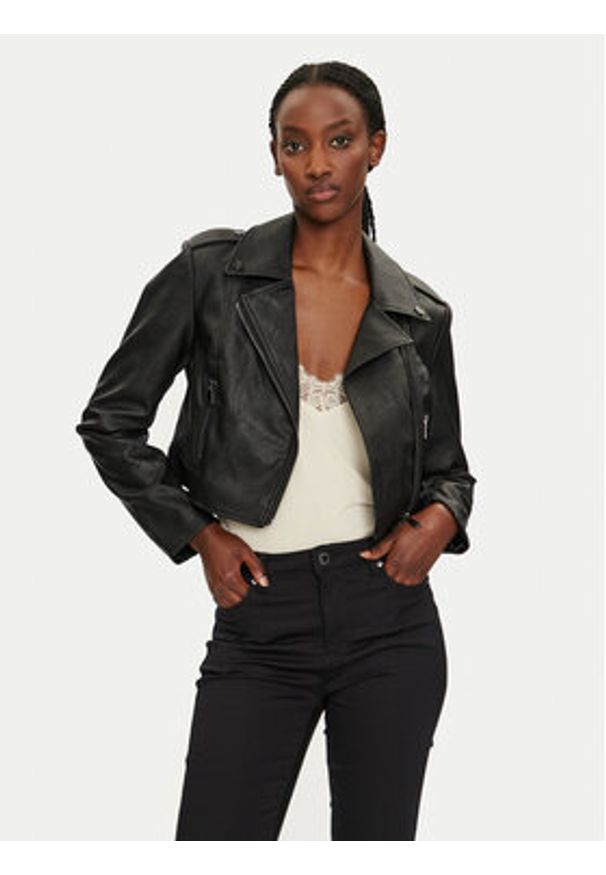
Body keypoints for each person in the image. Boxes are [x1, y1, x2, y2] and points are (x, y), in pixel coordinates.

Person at [75, 60, 477, 841]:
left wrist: (439, 520)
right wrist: (199, 533)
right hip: (261, 618)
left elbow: (449, 469)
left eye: (339, 141)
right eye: (296, 145)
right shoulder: (210, 276)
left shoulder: (420, 314)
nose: (317, 163)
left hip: (391, 621)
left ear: (377, 147)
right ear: (274, 156)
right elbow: (110, 422)